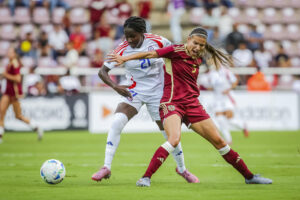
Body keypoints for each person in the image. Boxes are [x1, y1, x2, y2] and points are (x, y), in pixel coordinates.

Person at [108, 27, 273, 186]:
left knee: (219, 141)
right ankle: (145, 178)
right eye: (195, 43)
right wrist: (125, 59)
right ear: (188, 40)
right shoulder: (175, 50)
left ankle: (249, 177)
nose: (198, 47)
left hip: (193, 104)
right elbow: (150, 53)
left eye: (201, 45)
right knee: (174, 139)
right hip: (171, 103)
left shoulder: (198, 58)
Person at [91, 16, 199, 183]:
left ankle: (182, 169)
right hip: (134, 91)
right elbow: (102, 72)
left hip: (159, 93)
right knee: (116, 121)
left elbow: (177, 54)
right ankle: (106, 167)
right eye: (126, 36)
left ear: (142, 33)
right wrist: (115, 86)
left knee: (170, 135)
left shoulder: (159, 41)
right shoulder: (122, 49)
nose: (129, 40)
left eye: (133, 36)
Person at [0, 48, 43, 144]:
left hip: (13, 93)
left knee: (18, 116)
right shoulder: (10, 63)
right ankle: (0, 136)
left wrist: (6, 75)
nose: (8, 53)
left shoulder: (15, 64)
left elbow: (18, 78)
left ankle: (36, 127)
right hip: (7, 92)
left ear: (14, 54)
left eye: (10, 52)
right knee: (1, 113)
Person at [200, 65, 249, 145]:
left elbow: (235, 82)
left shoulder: (226, 71)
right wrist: (209, 88)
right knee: (220, 120)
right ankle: (229, 140)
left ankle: (243, 126)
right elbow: (210, 86)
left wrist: (228, 90)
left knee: (229, 119)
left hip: (227, 98)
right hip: (217, 99)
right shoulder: (211, 73)